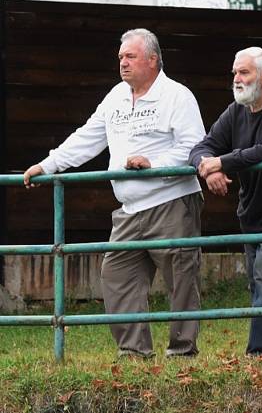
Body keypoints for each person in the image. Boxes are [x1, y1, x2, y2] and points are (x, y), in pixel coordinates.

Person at [23, 28, 205, 358]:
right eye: (120, 57)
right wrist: (47, 166)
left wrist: (155, 163)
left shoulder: (177, 96)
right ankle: (134, 352)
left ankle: (182, 353)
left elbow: (195, 146)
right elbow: (87, 138)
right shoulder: (116, 97)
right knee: (116, 275)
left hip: (171, 202)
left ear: (153, 59)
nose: (123, 63)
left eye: (130, 56)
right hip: (128, 209)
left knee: (180, 279)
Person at [189, 47, 262, 356]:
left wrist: (223, 163)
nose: (237, 79)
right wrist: (209, 168)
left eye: (244, 72)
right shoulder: (236, 111)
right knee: (259, 285)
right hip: (251, 209)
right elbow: (202, 147)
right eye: (234, 73)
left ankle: (258, 353)